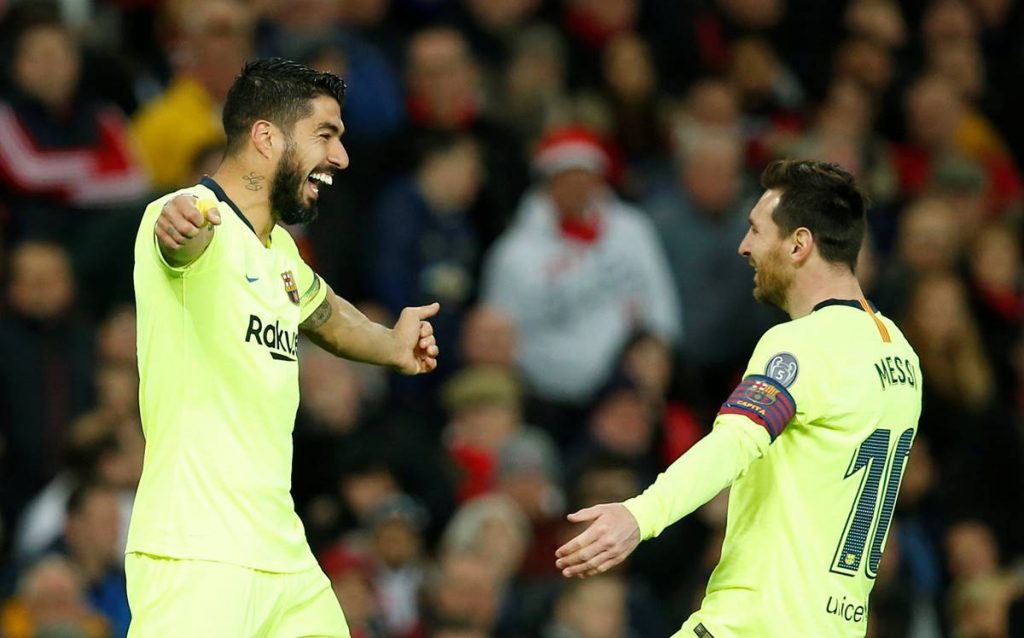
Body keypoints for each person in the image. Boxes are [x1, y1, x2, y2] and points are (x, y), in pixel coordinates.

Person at [127, 58, 440, 637]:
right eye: (325, 135)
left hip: (284, 556)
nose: (341, 157)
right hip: (198, 550)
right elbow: (180, 241)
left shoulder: (280, 253)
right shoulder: (191, 216)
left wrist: (392, 347)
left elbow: (326, 313)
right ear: (266, 137)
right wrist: (180, 227)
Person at [554, 160, 924, 637]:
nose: (744, 246)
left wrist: (638, 514)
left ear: (799, 244)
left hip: (755, 622)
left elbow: (734, 442)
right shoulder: (900, 355)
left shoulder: (801, 344)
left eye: (756, 230)